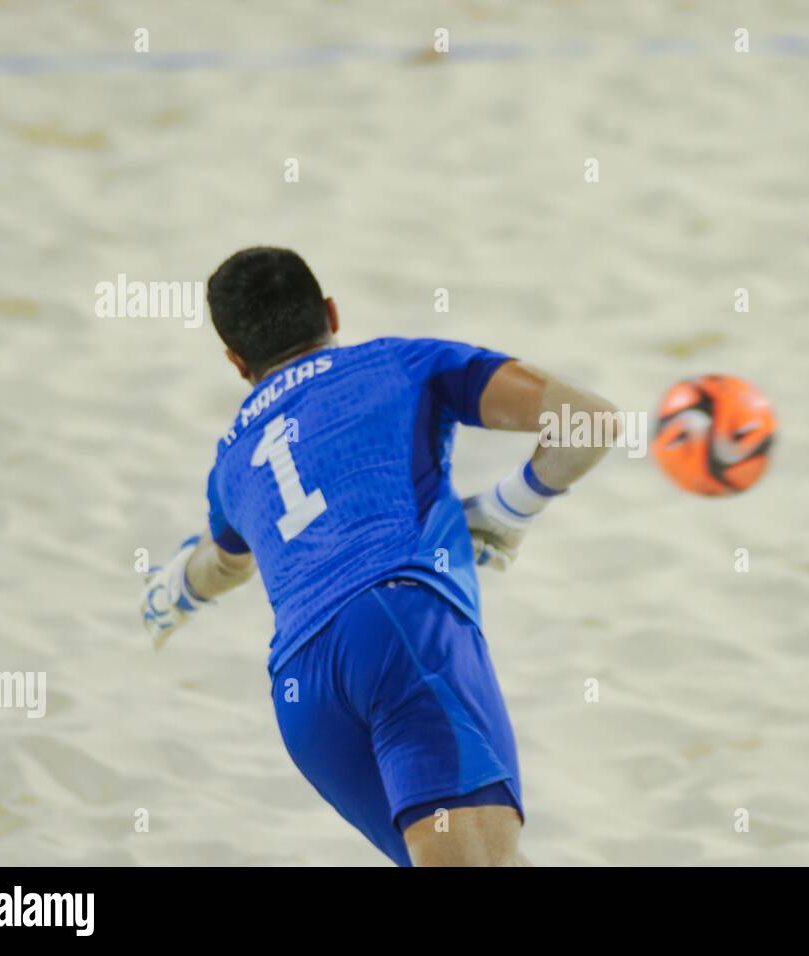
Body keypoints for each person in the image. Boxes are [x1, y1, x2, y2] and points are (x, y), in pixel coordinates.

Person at [139, 247, 616, 866]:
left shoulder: (230, 462)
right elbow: (590, 421)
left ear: (236, 362)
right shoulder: (403, 364)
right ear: (331, 312)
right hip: (399, 635)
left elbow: (222, 566)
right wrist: (507, 510)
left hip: (303, 697)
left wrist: (176, 588)